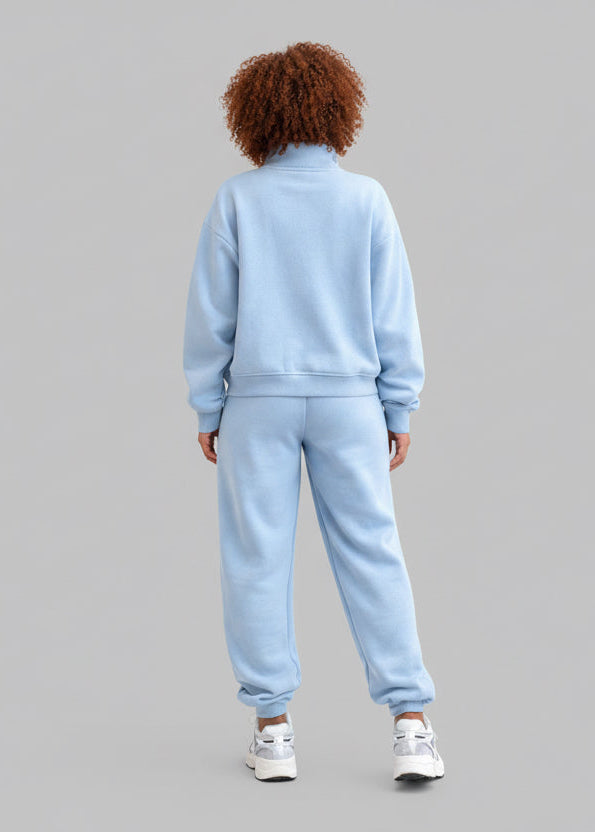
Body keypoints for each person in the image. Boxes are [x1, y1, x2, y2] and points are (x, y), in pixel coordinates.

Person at [183, 41, 445, 783]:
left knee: (255, 559)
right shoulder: (366, 199)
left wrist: (207, 404)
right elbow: (395, 314)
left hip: (256, 404)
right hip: (350, 403)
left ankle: (272, 732)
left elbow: (210, 315)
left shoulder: (237, 199)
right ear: (338, 110)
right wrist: (399, 405)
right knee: (373, 552)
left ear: (252, 115)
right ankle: (411, 724)